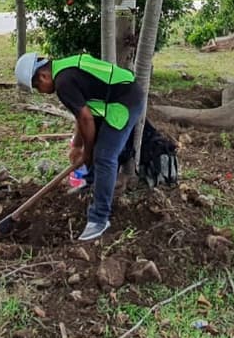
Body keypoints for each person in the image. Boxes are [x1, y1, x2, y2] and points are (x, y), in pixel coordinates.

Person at [15, 51, 145, 242]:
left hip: (123, 101)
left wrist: (88, 151)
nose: (41, 91)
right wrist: (77, 145)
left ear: (43, 75)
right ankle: (92, 184)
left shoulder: (63, 83)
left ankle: (99, 219)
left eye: (37, 86)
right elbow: (81, 113)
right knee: (95, 150)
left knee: (103, 156)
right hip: (110, 100)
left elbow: (86, 118)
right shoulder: (64, 68)